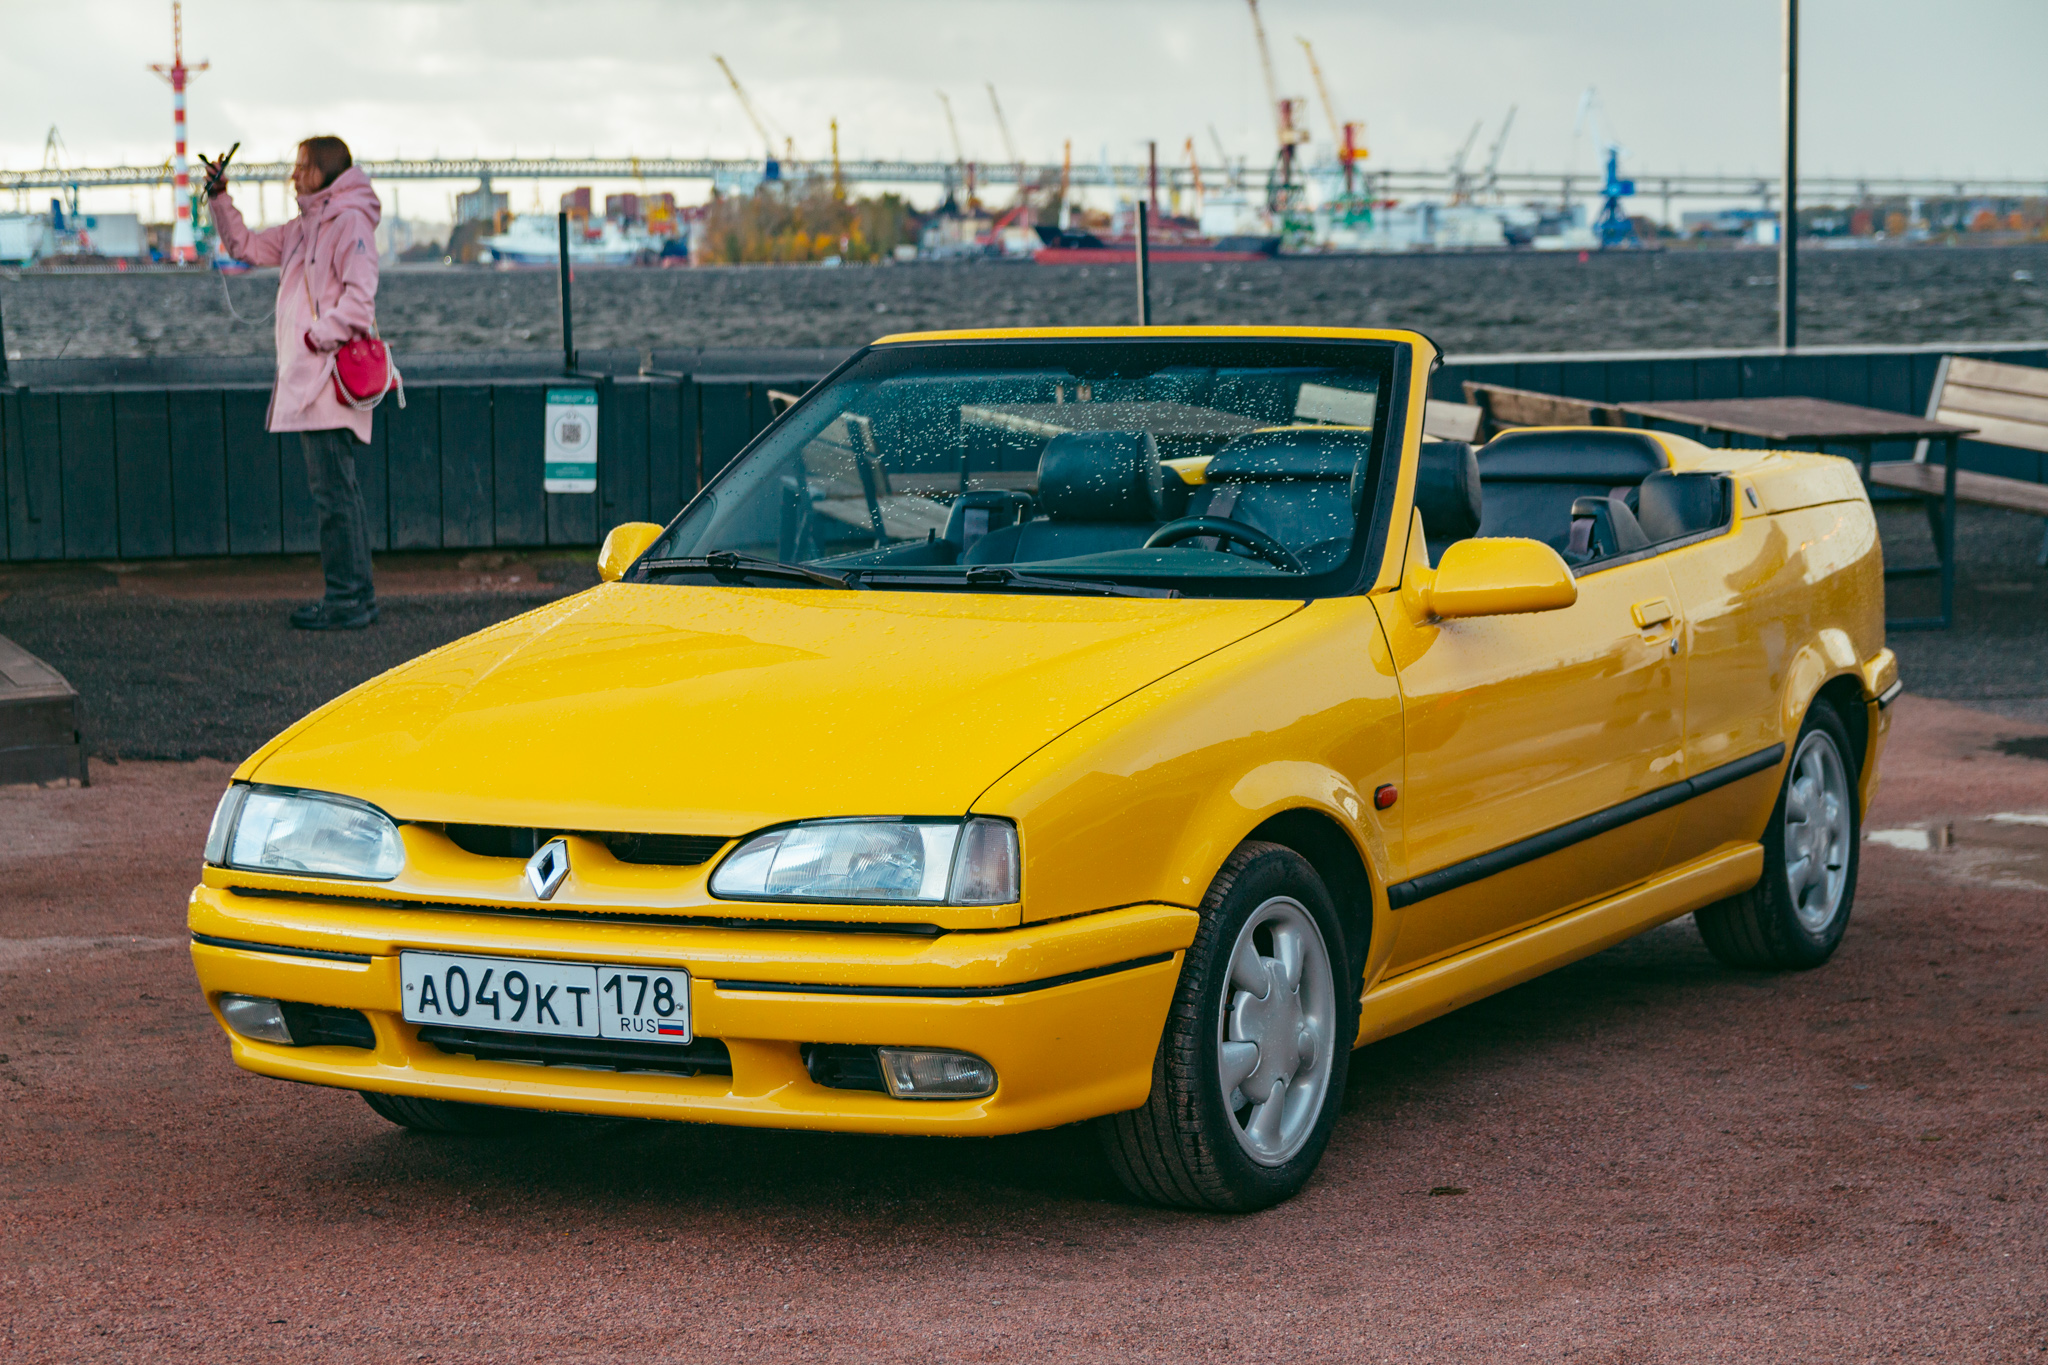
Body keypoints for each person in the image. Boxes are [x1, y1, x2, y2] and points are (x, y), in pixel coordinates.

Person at [203, 137, 383, 629]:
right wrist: (220, 196)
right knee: (337, 493)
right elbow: (245, 247)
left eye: (302, 167)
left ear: (325, 172)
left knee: (335, 496)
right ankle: (355, 597)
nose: (293, 175)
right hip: (310, 381)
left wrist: (314, 338)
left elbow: (360, 300)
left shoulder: (348, 223)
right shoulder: (304, 227)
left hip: (326, 378)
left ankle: (349, 601)